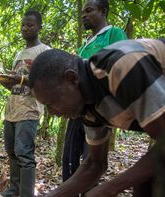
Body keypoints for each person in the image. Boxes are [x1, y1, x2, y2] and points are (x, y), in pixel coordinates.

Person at [29, 37, 165, 196]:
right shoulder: (89, 109)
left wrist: (109, 188)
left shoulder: (121, 66)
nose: (52, 112)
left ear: (71, 78)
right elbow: (94, 164)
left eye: (52, 103)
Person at [62, 0, 127, 182]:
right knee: (69, 159)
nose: (83, 15)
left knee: (90, 160)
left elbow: (121, 64)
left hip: (100, 110)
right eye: (82, 12)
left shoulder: (113, 33)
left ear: (103, 11)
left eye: (89, 10)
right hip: (78, 109)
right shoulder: (84, 45)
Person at [0, 10, 50, 197]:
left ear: (39, 28)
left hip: (30, 109)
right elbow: (16, 86)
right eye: (23, 25)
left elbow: (46, 81)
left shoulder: (44, 51)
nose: (25, 28)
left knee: (24, 154)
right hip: (12, 108)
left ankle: (26, 194)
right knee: (11, 152)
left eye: (30, 25)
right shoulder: (20, 53)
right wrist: (7, 82)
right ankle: (14, 190)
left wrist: (21, 79)